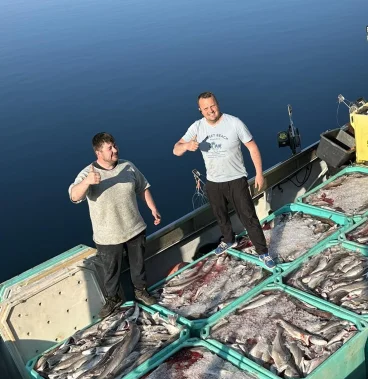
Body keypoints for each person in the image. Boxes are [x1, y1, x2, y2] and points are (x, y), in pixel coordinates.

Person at [173, 92, 275, 269]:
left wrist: (259, 173)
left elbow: (252, 147)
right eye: (205, 108)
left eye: (212, 106)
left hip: (236, 179)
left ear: (217, 104)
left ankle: (263, 252)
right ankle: (228, 240)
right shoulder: (197, 127)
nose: (210, 110)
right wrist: (187, 146)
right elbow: (176, 150)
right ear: (200, 110)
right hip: (213, 182)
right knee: (220, 216)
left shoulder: (234, 123)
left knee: (248, 216)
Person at [69, 132, 161, 318]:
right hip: (108, 236)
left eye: (115, 145)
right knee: (111, 272)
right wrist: (87, 182)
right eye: (109, 148)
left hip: (134, 227)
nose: (115, 150)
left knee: (138, 265)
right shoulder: (88, 173)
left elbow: (142, 187)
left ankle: (141, 291)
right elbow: (74, 196)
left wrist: (153, 208)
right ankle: (113, 299)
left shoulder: (128, 166)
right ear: (98, 153)